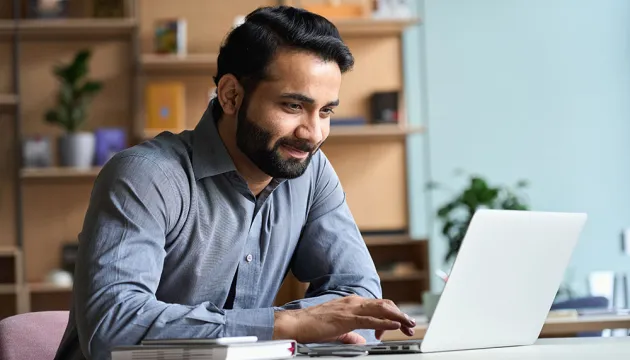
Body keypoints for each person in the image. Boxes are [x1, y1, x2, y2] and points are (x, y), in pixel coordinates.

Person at [54, 5, 415, 360]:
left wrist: (307, 325)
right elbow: (113, 327)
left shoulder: (311, 172)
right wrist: (286, 324)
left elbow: (359, 294)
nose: (313, 133)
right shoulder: (145, 176)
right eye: (292, 106)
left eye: (326, 111)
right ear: (230, 96)